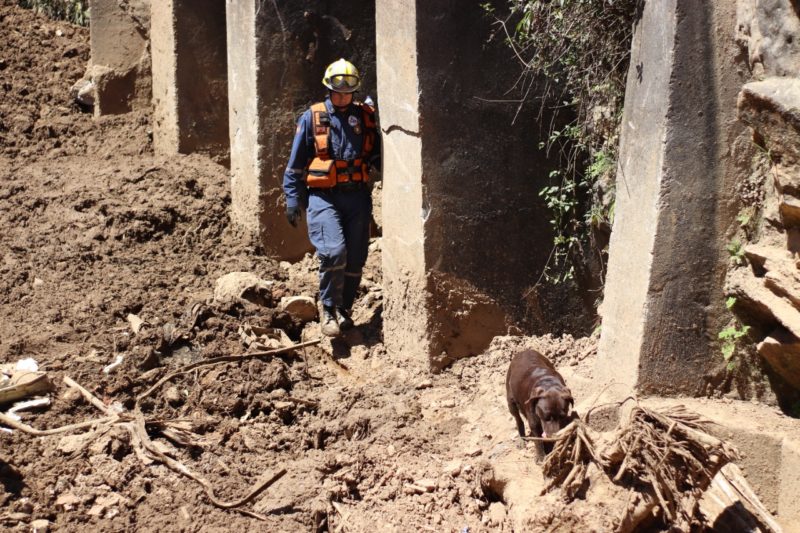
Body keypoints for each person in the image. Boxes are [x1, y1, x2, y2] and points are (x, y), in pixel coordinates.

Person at [282, 59, 381, 337]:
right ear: (328, 89)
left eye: (347, 92)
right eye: (336, 92)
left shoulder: (364, 117)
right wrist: (292, 198)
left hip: (357, 198)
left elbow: (375, 155)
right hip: (324, 198)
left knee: (356, 258)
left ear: (355, 92)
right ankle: (328, 309)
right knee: (333, 252)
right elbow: (295, 164)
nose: (341, 97)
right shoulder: (312, 118)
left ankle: (344, 309)